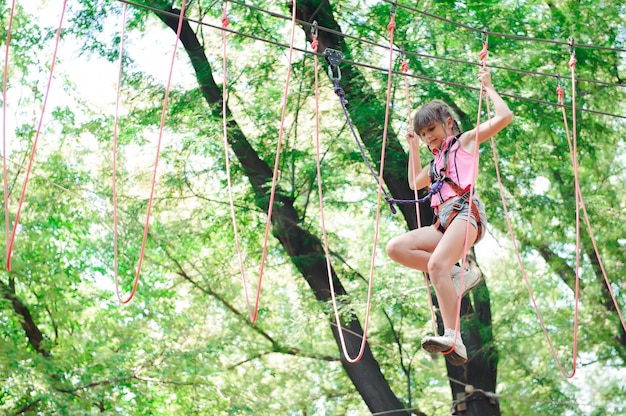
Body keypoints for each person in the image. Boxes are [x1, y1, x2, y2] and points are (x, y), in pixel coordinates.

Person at [385, 67, 513, 366]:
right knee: (396, 248)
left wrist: (489, 88)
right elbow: (415, 182)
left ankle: (454, 337)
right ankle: (459, 275)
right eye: (423, 133)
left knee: (436, 265)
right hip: (444, 221)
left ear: (448, 123)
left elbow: (504, 117)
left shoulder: (464, 142)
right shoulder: (437, 161)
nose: (428, 137)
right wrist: (414, 147)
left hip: (466, 213)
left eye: (431, 130)